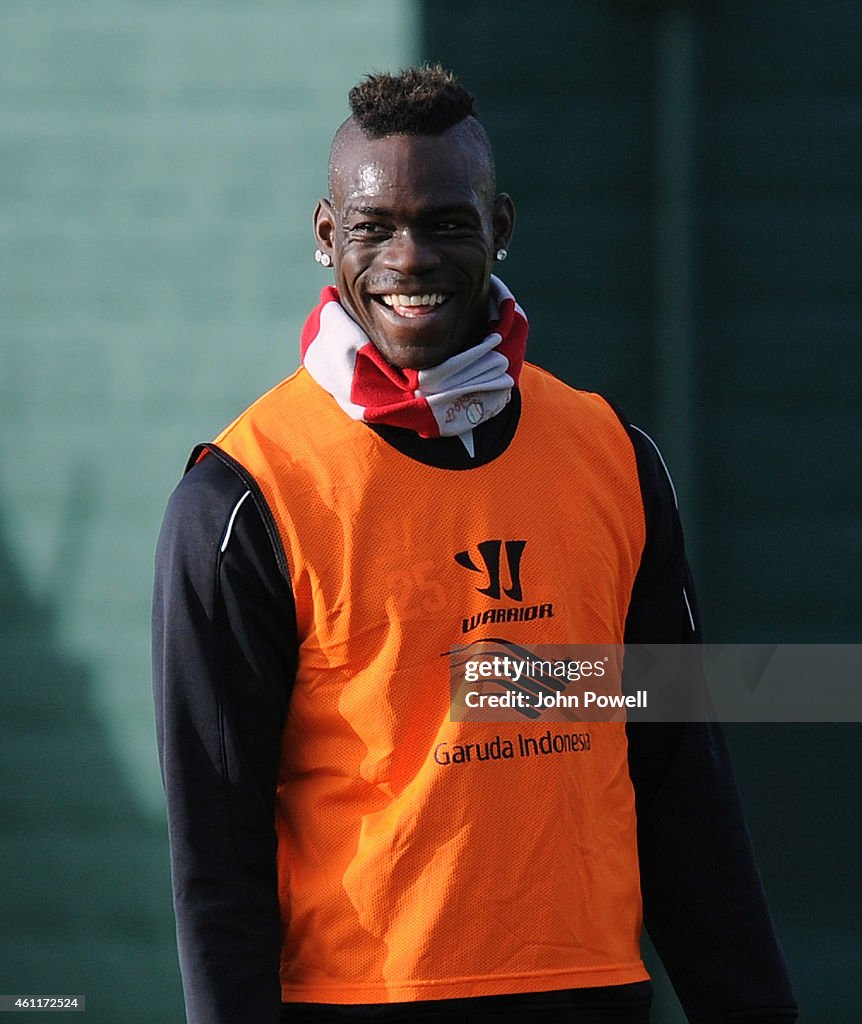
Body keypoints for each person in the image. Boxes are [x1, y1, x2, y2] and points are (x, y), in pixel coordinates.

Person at [152, 65, 798, 1024]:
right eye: (375, 226)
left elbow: (681, 788)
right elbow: (216, 849)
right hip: (360, 1002)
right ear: (328, 235)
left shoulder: (612, 457)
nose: (410, 259)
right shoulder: (242, 497)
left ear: (500, 226)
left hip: (594, 993)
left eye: (447, 222)